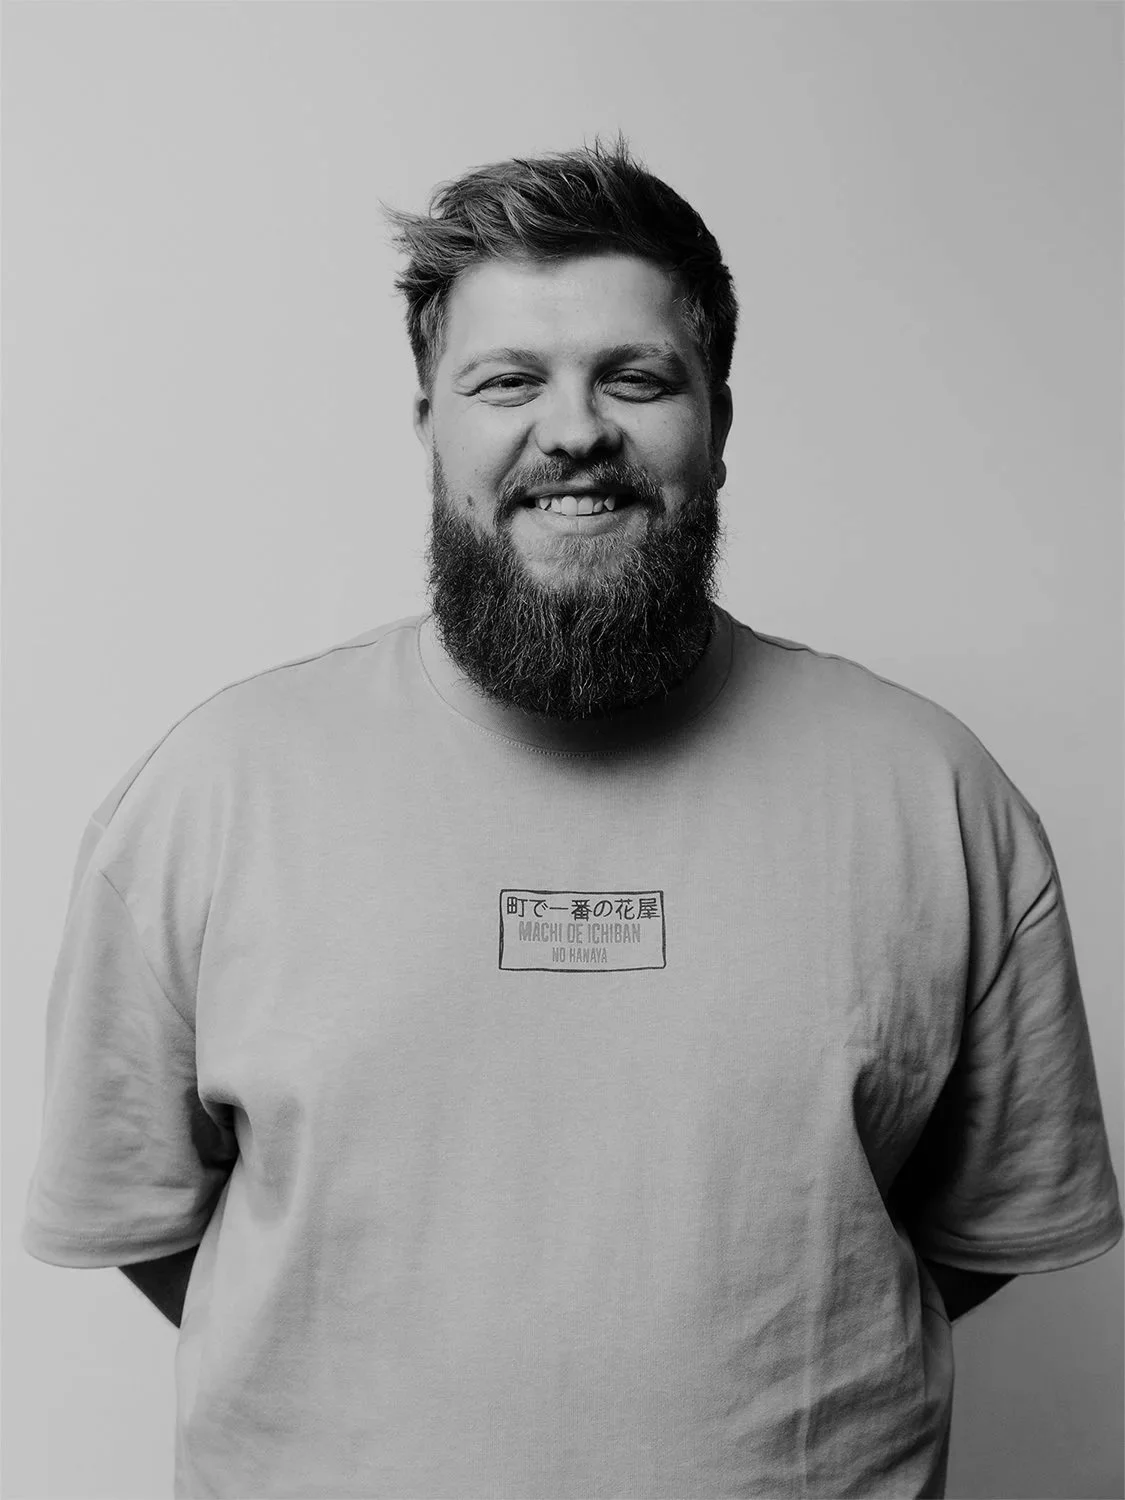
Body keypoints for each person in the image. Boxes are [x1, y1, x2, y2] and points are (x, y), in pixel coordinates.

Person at [23, 135, 1122, 1500]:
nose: (575, 430)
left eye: (636, 376)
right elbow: (148, 1223)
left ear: (719, 415)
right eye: (507, 381)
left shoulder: (935, 795)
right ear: (429, 420)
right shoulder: (211, 794)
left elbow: (975, 1232)